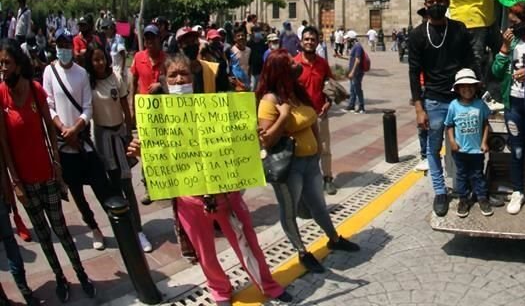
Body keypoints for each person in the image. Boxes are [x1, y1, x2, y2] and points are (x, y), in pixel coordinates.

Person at [141, 53, 293, 306]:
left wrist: (249, 133)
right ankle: (220, 290)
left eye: (184, 74)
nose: (179, 79)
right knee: (205, 253)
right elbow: (157, 155)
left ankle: (267, 284)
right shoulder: (157, 119)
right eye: (173, 75)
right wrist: (141, 147)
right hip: (189, 199)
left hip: (226, 194)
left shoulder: (216, 108)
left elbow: (238, 141)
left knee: (248, 243)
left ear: (193, 76)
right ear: (165, 82)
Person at [0, 40, 96, 302]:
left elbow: (49, 130)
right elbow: (4, 143)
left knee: (61, 230)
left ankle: (82, 275)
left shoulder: (35, 90)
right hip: (25, 182)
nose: (3, 68)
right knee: (43, 236)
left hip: (47, 176)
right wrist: (15, 182)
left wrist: (56, 162)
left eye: (7, 63)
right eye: (0, 64)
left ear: (18, 64)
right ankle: (60, 279)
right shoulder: (1, 95)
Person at [257, 51, 358, 273]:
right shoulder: (270, 101)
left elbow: (311, 117)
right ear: (280, 71)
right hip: (289, 167)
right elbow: (265, 140)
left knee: (318, 205)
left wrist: (318, 145)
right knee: (289, 209)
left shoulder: (297, 92)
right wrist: (283, 117)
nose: (296, 64)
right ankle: (302, 251)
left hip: (310, 163)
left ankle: (334, 238)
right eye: (291, 63)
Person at [44, 29, 116, 252]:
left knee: (101, 186)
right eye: (60, 44)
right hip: (64, 144)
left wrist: (76, 129)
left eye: (67, 44)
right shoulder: (49, 71)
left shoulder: (82, 73)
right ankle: (94, 228)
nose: (64, 48)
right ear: (56, 46)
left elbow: (87, 108)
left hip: (83, 141)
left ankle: (120, 225)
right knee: (77, 193)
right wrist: (64, 129)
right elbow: (49, 105)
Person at [409, 0, 473, 216]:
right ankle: (439, 191)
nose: (436, 5)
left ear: (448, 1)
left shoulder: (459, 29)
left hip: (459, 99)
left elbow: (470, 62)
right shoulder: (417, 35)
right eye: (431, 2)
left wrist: (475, 94)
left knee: (462, 146)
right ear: (425, 5)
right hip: (433, 100)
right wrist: (419, 108)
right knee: (433, 148)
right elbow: (414, 73)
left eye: (440, 1)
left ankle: (462, 187)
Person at [84, 45, 152, 252]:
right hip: (102, 137)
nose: (99, 63)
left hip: (119, 134)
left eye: (102, 58)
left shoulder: (116, 79)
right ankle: (123, 231)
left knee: (127, 184)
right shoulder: (88, 82)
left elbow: (125, 108)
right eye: (95, 60)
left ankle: (138, 230)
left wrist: (128, 135)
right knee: (112, 185)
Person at [491, 2, 525, 218]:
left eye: (516, 22)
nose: (512, 28)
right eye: (510, 23)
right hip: (513, 103)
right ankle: (518, 191)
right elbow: (495, 71)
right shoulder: (511, 44)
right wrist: (503, 48)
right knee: (517, 150)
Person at [294, 27, 338, 195]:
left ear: (317, 42)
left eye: (312, 39)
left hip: (320, 113)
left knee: (324, 147)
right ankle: (306, 182)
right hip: (301, 116)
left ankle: (327, 178)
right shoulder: (294, 63)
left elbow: (330, 84)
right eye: (306, 39)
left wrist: (329, 102)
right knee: (303, 149)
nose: (309, 42)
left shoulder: (322, 64)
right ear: (301, 41)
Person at [445, 68, 492, 218]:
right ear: (458, 89)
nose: (467, 89)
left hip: (477, 150)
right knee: (461, 175)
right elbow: (449, 125)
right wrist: (452, 141)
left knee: (478, 174)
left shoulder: (480, 105)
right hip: (460, 150)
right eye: (463, 86)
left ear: (476, 87)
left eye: (471, 86)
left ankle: (482, 197)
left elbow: (485, 124)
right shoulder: (453, 105)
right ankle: (463, 199)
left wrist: (484, 142)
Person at [131, 24, 165, 95]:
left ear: (159, 39)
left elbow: (173, 81)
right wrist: (133, 102)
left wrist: (160, 85)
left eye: (153, 37)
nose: (149, 41)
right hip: (144, 103)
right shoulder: (138, 57)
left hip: (163, 103)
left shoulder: (167, 59)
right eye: (147, 38)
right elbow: (134, 82)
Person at [345, 31, 367, 114]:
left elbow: (357, 60)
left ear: (351, 38)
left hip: (357, 72)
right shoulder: (354, 46)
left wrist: (352, 72)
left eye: (347, 38)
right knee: (352, 89)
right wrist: (340, 57)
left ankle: (361, 107)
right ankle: (351, 105)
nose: (346, 40)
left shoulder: (357, 46)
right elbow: (352, 59)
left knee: (357, 89)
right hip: (354, 72)